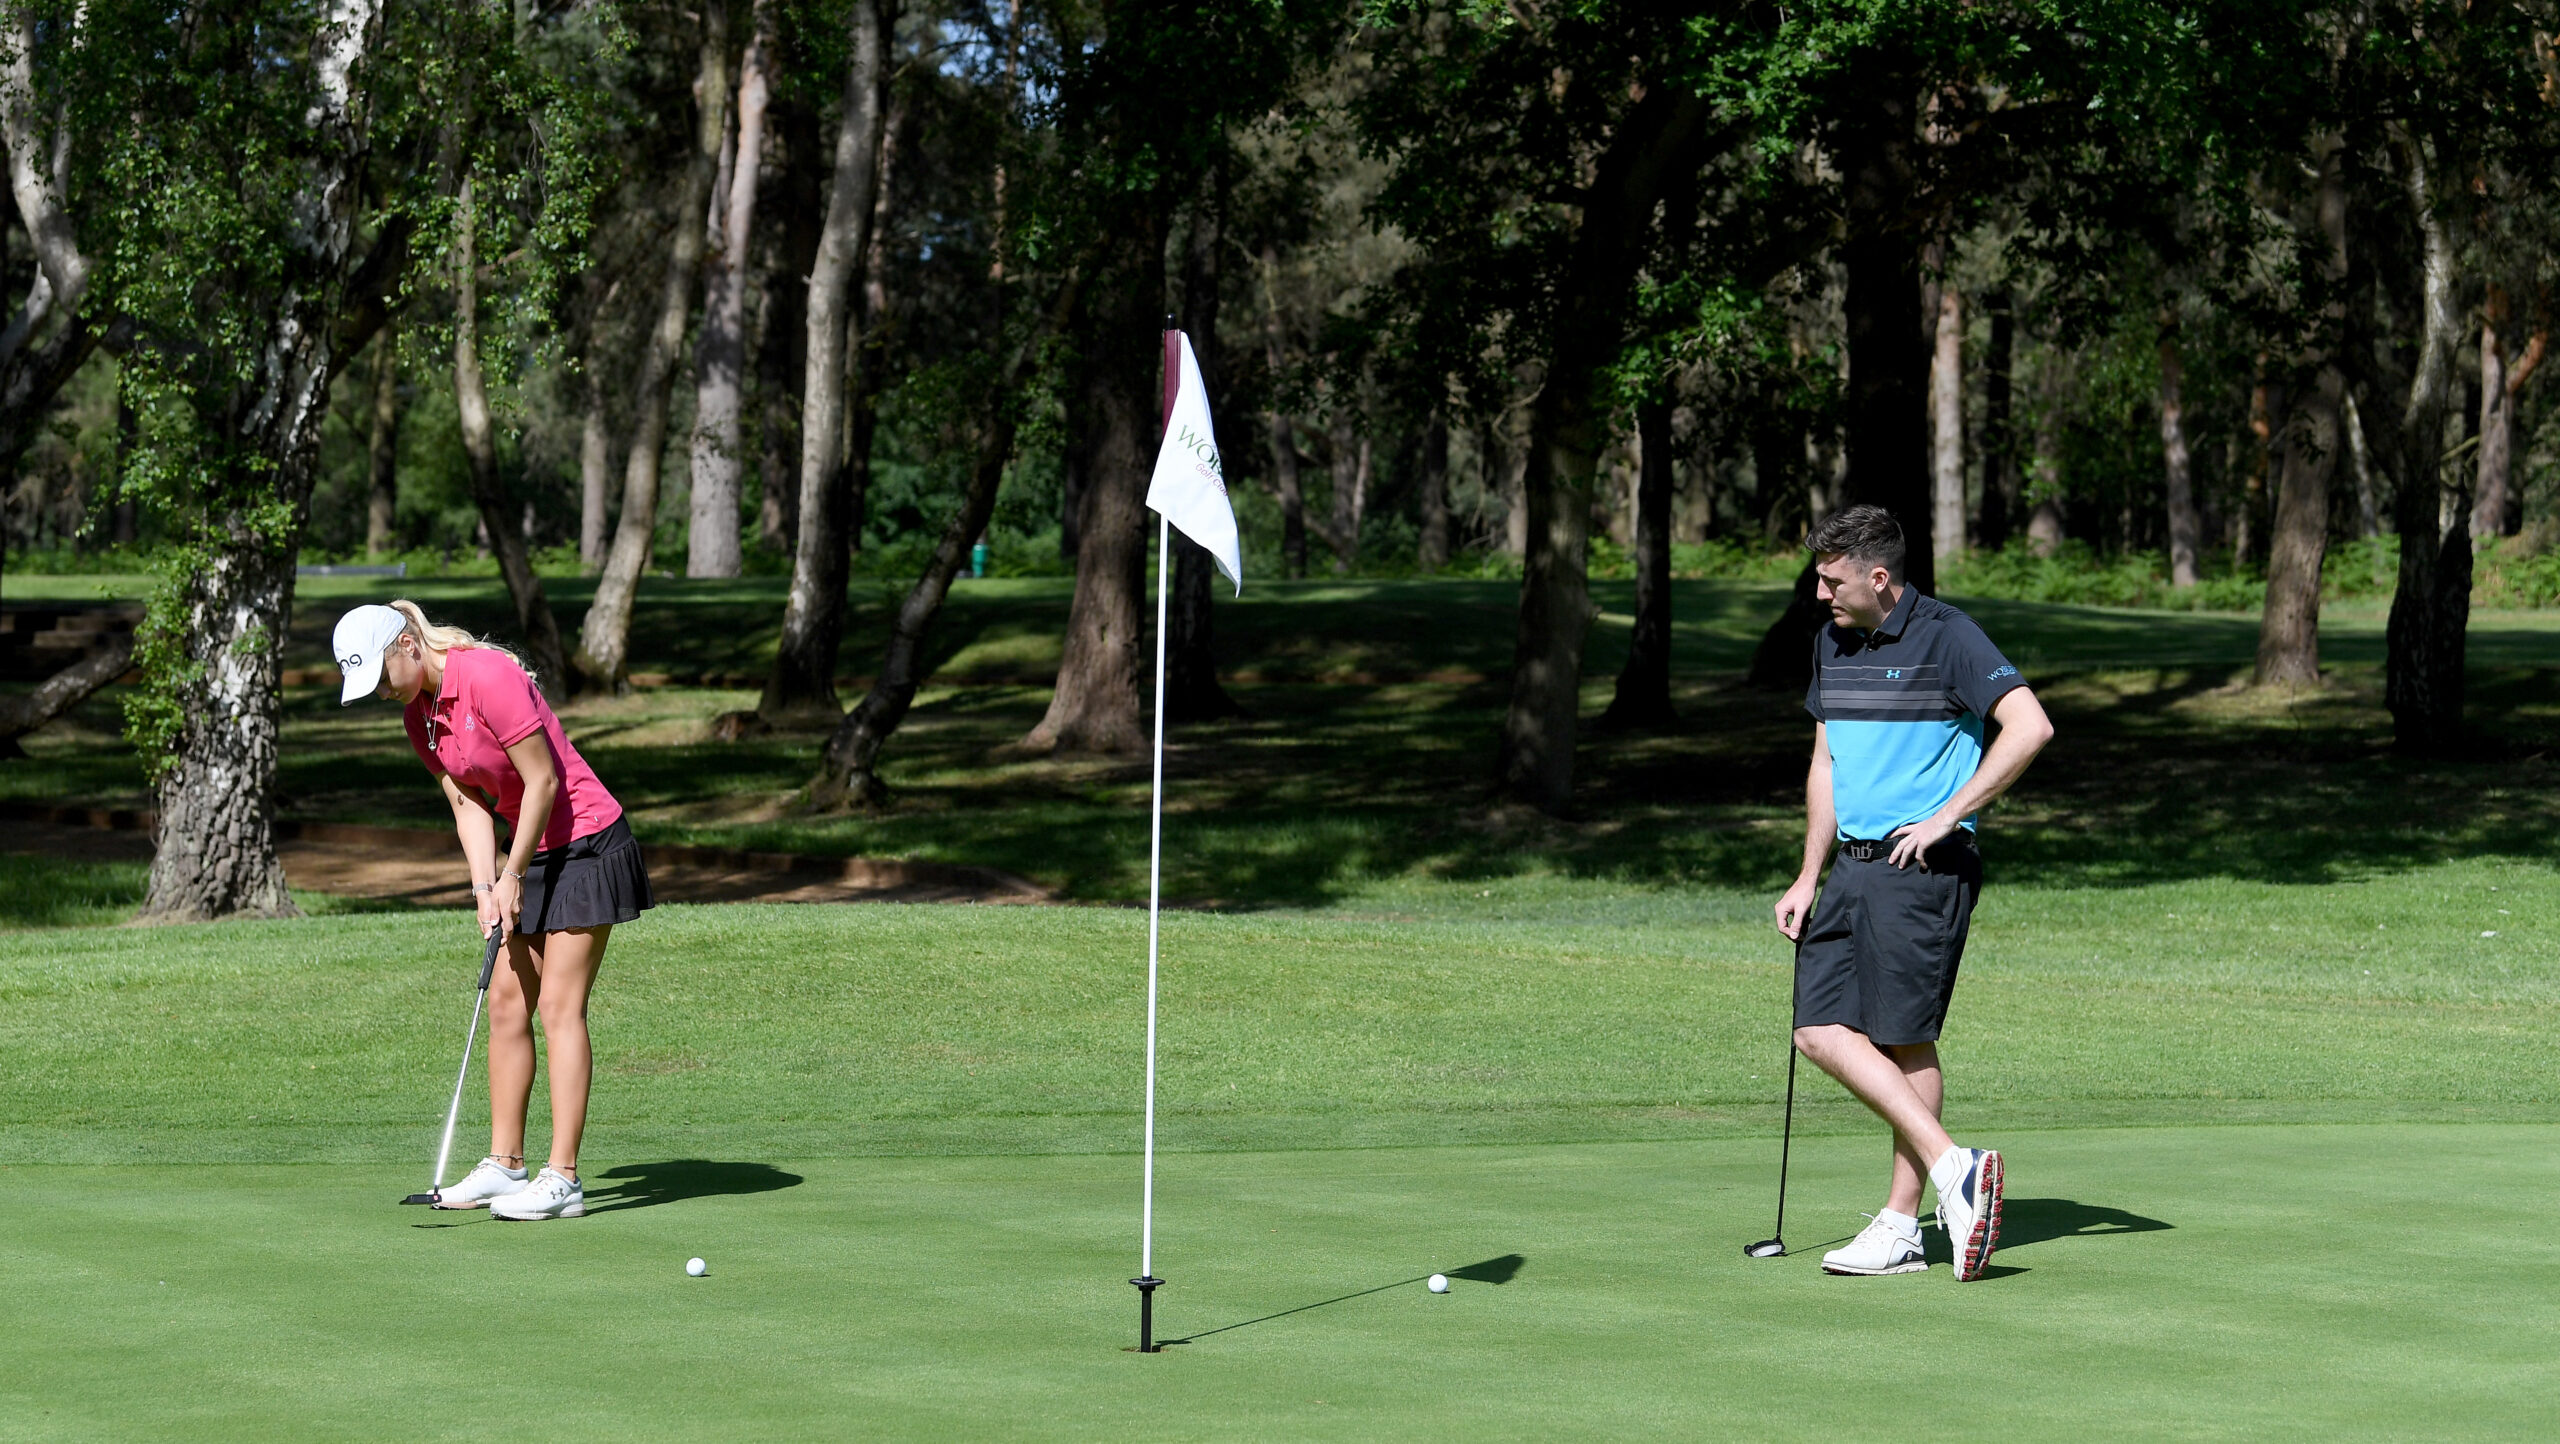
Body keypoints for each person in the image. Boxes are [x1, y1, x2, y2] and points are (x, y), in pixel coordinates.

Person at [1771, 506, 2054, 1281]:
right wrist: (1808, 872)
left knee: (1903, 1038)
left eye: (1832, 581)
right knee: (1818, 1030)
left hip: (1921, 866)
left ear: (1878, 577)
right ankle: (1951, 1165)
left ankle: (1902, 1225)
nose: (1820, 594)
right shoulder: (1831, 641)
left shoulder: (1948, 636)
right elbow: (1826, 761)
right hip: (1852, 867)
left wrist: (1948, 815)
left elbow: (2030, 727)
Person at [333, 600, 653, 1220]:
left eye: (380, 676)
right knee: (507, 1002)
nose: (380, 692)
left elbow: (543, 782)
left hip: (586, 842)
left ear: (407, 645)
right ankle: (506, 1166)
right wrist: (485, 887)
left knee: (559, 1006)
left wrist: (512, 874)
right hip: (530, 850)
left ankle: (564, 1179)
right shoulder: (419, 716)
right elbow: (467, 803)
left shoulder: (486, 677)